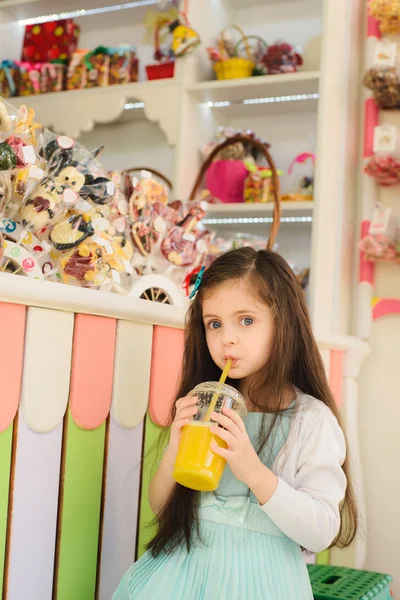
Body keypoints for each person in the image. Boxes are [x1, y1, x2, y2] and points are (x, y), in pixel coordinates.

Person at [113, 247, 358, 600]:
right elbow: (162, 506)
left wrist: (252, 471)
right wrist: (174, 452)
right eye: (214, 323)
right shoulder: (206, 406)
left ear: (283, 323)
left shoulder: (311, 420)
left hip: (263, 582)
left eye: (246, 320)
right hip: (179, 575)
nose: (227, 337)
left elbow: (320, 531)